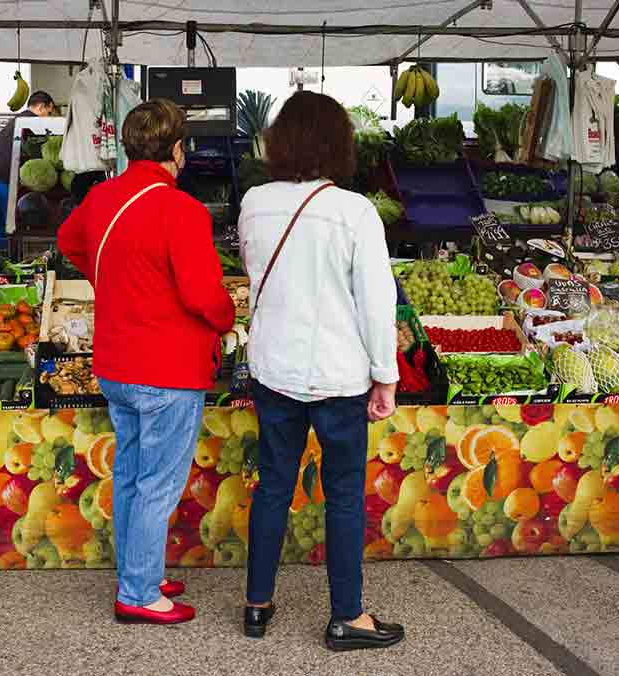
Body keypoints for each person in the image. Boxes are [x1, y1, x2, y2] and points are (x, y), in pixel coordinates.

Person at [236, 91, 404, 651]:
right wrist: (386, 375)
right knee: (344, 494)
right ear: (339, 144)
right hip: (337, 376)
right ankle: (347, 616)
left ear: (280, 140)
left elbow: (255, 274)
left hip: (273, 367)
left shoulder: (254, 202)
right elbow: (376, 304)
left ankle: (257, 605)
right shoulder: (354, 210)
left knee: (273, 488)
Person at [57, 99, 235, 625]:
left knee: (134, 476)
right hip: (167, 368)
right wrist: (227, 319)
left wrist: (108, 279)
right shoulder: (182, 210)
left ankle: (141, 571)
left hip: (116, 362)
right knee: (157, 484)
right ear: (177, 149)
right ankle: (137, 594)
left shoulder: (101, 196)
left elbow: (70, 243)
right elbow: (205, 295)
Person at [0, 90, 56, 246]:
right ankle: (11, 257)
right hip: (6, 181)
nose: (48, 118)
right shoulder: (31, 122)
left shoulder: (17, 120)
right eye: (49, 112)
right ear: (42, 107)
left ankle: (2, 254)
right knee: (11, 227)